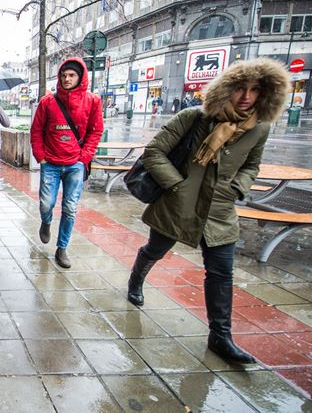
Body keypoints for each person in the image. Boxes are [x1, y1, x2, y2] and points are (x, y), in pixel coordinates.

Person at [126, 58, 290, 364]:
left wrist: (238, 187)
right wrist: (176, 185)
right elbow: (154, 152)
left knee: (220, 273)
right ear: (226, 88)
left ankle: (221, 336)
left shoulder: (259, 129)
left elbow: (252, 165)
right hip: (178, 205)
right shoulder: (195, 117)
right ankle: (136, 279)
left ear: (265, 94)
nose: (246, 96)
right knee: (155, 250)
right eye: (240, 88)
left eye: (255, 90)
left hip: (219, 211)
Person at [31, 58, 104, 268]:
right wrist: (41, 157)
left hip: (75, 164)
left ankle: (62, 248)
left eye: (71, 75)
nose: (67, 79)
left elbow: (95, 131)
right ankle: (46, 222)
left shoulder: (92, 101)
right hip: (51, 163)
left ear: (80, 77)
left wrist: (85, 157)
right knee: (46, 204)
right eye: (64, 75)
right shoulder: (48, 102)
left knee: (70, 208)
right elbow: (36, 131)